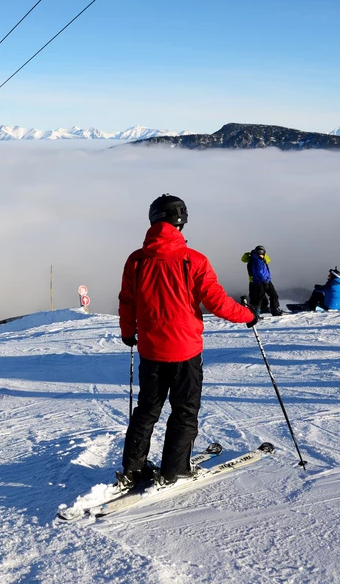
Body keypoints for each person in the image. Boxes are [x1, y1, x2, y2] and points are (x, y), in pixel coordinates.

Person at [118, 194, 258, 487]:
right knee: (184, 410)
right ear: (181, 220)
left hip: (151, 350)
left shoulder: (136, 260)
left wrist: (127, 332)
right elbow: (217, 302)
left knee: (147, 410)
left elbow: (127, 301)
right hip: (185, 351)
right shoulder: (193, 260)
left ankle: (132, 469)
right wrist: (247, 316)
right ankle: (174, 469)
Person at [241, 245, 282, 317]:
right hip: (259, 282)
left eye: (262, 252)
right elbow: (258, 272)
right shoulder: (256, 260)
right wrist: (263, 281)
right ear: (256, 252)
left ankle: (274, 309)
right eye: (259, 252)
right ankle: (256, 313)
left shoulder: (261, 259)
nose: (261, 254)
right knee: (258, 298)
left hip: (266, 280)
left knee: (273, 295)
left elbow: (269, 260)